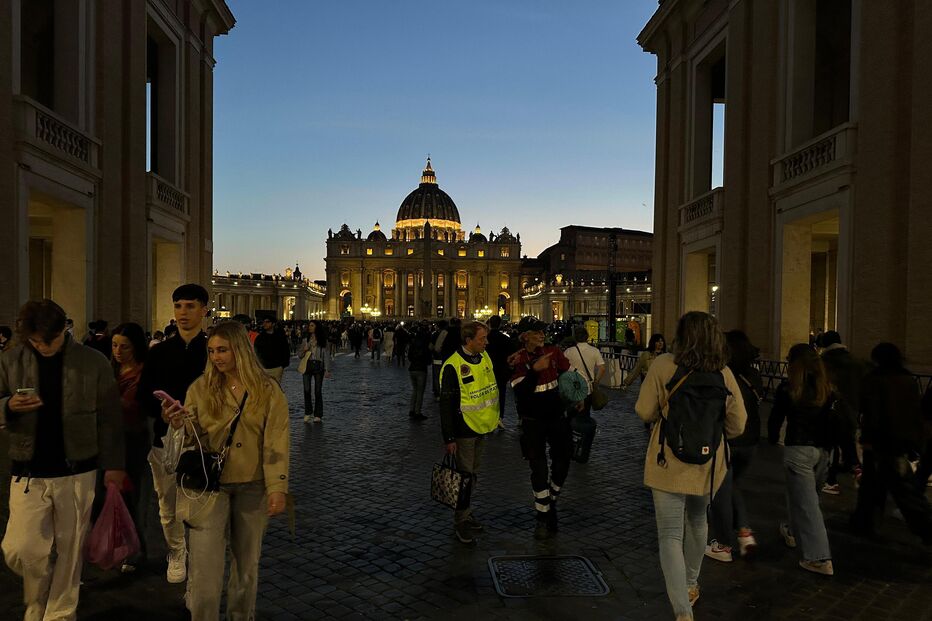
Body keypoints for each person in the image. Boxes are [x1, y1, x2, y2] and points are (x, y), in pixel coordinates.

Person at [0, 299, 126, 620]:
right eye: (36, 341)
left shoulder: (93, 362)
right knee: (21, 549)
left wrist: (114, 465)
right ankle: (38, 598)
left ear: (64, 330)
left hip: (77, 470)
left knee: (71, 550)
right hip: (27, 471)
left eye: (49, 341)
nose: (43, 347)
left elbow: (110, 419)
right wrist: (7, 407)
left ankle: (60, 613)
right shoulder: (9, 361)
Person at [164, 321, 289, 621]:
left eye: (223, 350)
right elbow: (193, 439)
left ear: (241, 349)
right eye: (212, 351)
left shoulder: (268, 390)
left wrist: (278, 488)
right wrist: (178, 423)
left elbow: (277, 441)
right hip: (209, 488)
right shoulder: (200, 388)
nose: (217, 357)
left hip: (253, 486)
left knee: (246, 569)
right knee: (205, 572)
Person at [634, 311, 746, 621]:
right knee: (698, 521)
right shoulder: (723, 372)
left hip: (667, 459)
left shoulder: (663, 364)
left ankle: (682, 610)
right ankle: (691, 583)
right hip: (708, 464)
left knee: (670, 534)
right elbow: (739, 425)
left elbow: (644, 411)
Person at [137, 283, 210, 583]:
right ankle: (176, 550)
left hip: (204, 440)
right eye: (178, 306)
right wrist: (161, 412)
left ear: (204, 310)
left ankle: (203, 555)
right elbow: (143, 396)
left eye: (190, 306)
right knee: (167, 502)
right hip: (164, 437)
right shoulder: (159, 352)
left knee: (202, 503)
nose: (183, 313)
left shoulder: (215, 351)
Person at [850, 343, 932, 544]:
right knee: (875, 486)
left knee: (902, 493)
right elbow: (916, 414)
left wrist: (867, 439)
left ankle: (927, 529)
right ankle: (863, 522)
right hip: (901, 442)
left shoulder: (875, 380)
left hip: (880, 443)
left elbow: (872, 414)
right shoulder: (908, 380)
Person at [768, 343, 836, 576]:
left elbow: (776, 417)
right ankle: (793, 531)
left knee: (808, 504)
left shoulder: (789, 388)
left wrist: (772, 436)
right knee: (803, 496)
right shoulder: (825, 388)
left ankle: (819, 558)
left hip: (798, 449)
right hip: (822, 450)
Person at [509, 316, 579, 540]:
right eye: (537, 332)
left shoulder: (554, 352)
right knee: (538, 469)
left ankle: (551, 499)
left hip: (557, 417)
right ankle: (543, 516)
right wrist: (533, 369)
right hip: (532, 421)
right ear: (525, 336)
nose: (542, 335)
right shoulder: (518, 359)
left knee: (563, 461)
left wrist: (578, 393)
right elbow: (520, 393)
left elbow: (569, 375)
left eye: (543, 331)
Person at [439, 321, 500, 544]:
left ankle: (465, 511)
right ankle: (460, 521)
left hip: (481, 425)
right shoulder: (453, 365)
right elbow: (445, 404)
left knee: (472, 474)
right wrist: (449, 437)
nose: (487, 342)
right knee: (464, 477)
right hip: (463, 429)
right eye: (482, 339)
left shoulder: (483, 357)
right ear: (469, 340)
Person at [705, 330, 763, 562]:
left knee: (721, 492)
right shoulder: (754, 375)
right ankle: (745, 534)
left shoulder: (723, 374)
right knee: (733, 485)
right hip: (752, 440)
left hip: (730, 439)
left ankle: (723, 545)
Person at [110, 322, 152, 572]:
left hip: (136, 442)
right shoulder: (109, 370)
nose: (118, 351)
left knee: (135, 498)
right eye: (115, 345)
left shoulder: (143, 374)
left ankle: (135, 549)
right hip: (111, 442)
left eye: (124, 347)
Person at [819, 331, 865, 495]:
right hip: (852, 409)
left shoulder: (824, 362)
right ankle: (856, 469)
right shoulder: (855, 361)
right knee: (847, 441)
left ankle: (830, 480)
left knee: (830, 445)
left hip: (831, 409)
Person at [563, 325, 606, 418]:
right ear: (587, 336)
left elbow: (563, 368)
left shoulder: (568, 351)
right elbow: (602, 368)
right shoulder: (594, 351)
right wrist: (596, 381)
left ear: (575, 337)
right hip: (587, 388)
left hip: (572, 387)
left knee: (571, 414)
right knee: (585, 414)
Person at [486, 316, 517, 424]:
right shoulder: (505, 338)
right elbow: (513, 353)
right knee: (501, 394)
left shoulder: (485, 338)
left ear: (489, 323)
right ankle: (500, 416)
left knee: (487, 394)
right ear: (500, 324)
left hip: (487, 371)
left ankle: (488, 416)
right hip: (501, 370)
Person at [299, 321, 331, 423]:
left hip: (318, 366)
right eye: (309, 325)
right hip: (307, 366)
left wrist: (327, 369)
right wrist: (305, 349)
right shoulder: (305, 340)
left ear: (317, 327)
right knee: (307, 390)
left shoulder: (323, 341)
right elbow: (299, 355)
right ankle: (308, 412)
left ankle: (318, 414)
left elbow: (326, 356)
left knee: (318, 391)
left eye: (312, 325)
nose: (310, 327)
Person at [253, 318, 291, 383]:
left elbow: (286, 350)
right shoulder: (260, 337)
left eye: (267, 322)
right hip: (263, 368)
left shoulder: (280, 336)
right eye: (263, 322)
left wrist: (283, 365)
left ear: (273, 324)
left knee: (275, 389)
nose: (264, 324)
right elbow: (256, 351)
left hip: (277, 368)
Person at [407, 321, 432, 421]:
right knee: (420, 392)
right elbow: (428, 358)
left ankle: (411, 410)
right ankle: (418, 412)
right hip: (421, 369)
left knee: (414, 390)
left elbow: (409, 356)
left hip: (412, 369)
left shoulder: (413, 343)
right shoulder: (425, 345)